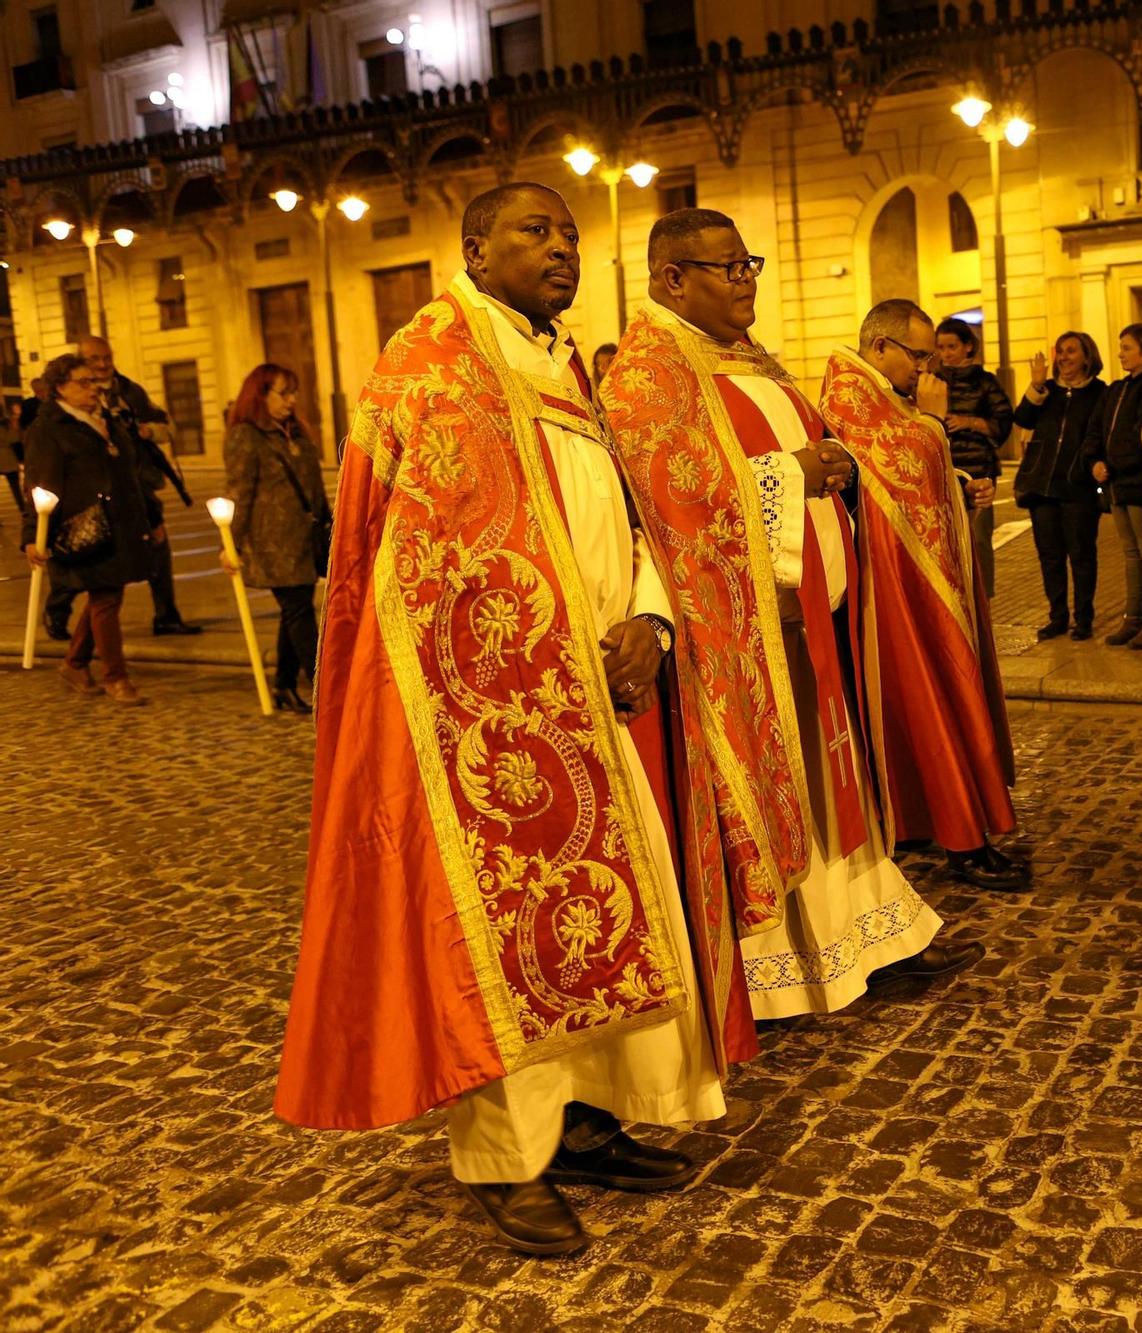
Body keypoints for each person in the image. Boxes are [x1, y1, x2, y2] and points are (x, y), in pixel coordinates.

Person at [276, 184, 752, 1258]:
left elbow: (624, 515)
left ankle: (581, 1124)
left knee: (602, 930)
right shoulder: (433, 364)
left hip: (598, 689)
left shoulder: (566, 367)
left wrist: (647, 617)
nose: (560, 250)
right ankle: (505, 1158)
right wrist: (535, 657)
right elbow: (412, 564)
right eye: (534, 233)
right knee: (495, 937)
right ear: (474, 246)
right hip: (481, 721)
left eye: (571, 236)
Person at [604, 207, 982, 1014]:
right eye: (728, 266)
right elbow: (674, 504)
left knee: (828, 782)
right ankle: (780, 971)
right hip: (734, 636)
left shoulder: (752, 359)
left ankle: (869, 939)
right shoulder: (648, 374)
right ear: (673, 278)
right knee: (783, 793)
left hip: (804, 617)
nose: (746, 280)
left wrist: (831, 466)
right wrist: (792, 474)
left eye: (751, 264)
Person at [820, 299, 1025, 891]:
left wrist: (959, 483)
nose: (926, 370)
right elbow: (899, 467)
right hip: (893, 593)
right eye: (918, 356)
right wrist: (934, 426)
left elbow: (900, 479)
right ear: (880, 348)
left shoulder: (886, 398)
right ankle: (958, 834)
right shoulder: (849, 396)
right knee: (928, 695)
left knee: (925, 700)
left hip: (907, 580)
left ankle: (922, 820)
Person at [21, 353, 163, 705]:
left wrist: (153, 516)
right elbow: (39, 486)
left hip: (120, 524)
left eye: (94, 381)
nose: (93, 389)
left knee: (106, 595)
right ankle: (116, 677)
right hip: (83, 527)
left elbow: (131, 474)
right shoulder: (48, 430)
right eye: (83, 382)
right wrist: (31, 538)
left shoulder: (108, 420)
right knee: (105, 598)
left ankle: (75, 662)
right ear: (60, 389)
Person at [220, 364, 329, 714]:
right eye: (283, 392)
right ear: (261, 395)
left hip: (305, 538)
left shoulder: (295, 432)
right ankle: (324, 687)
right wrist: (230, 544)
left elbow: (314, 488)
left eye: (292, 392)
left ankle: (283, 683)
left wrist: (329, 524)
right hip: (273, 542)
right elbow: (240, 492)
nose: (291, 399)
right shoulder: (245, 435)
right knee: (299, 611)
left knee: (293, 611)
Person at [81, 334, 202, 636]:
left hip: (138, 485)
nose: (102, 365)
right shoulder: (79, 396)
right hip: (99, 491)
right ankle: (62, 619)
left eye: (106, 357)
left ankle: (166, 615)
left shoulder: (131, 392)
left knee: (158, 547)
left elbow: (166, 426)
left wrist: (148, 431)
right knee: (103, 565)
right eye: (94, 359)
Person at [1013, 331, 1107, 641]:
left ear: (1087, 357)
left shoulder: (1099, 392)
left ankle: (1084, 618)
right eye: (1060, 352)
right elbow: (1023, 418)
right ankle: (1058, 616)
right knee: (1049, 555)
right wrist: (1036, 384)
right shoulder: (1048, 390)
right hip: (1042, 487)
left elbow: (1098, 435)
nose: (1064, 357)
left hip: (1077, 487)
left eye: (1071, 351)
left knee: (1081, 556)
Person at [1082, 322, 1142, 646]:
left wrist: (1114, 465)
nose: (1120, 354)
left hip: (1140, 482)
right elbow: (1095, 430)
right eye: (1121, 347)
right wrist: (1095, 462)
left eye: (1127, 348)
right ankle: (1132, 618)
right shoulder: (1116, 390)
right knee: (1130, 553)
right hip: (1117, 483)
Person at [932, 317, 1011, 597]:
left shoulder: (984, 381)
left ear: (968, 346)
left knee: (978, 539)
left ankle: (983, 599)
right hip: (944, 469)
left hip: (979, 469)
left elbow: (1002, 423)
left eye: (951, 346)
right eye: (940, 347)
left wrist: (968, 422)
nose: (946, 353)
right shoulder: (932, 380)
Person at [2, 397, 24, 523]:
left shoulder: (7, 424)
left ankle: (23, 509)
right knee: (15, 487)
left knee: (15, 486)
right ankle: (23, 510)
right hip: (8, 458)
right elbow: (14, 439)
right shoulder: (8, 424)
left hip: (7, 458)